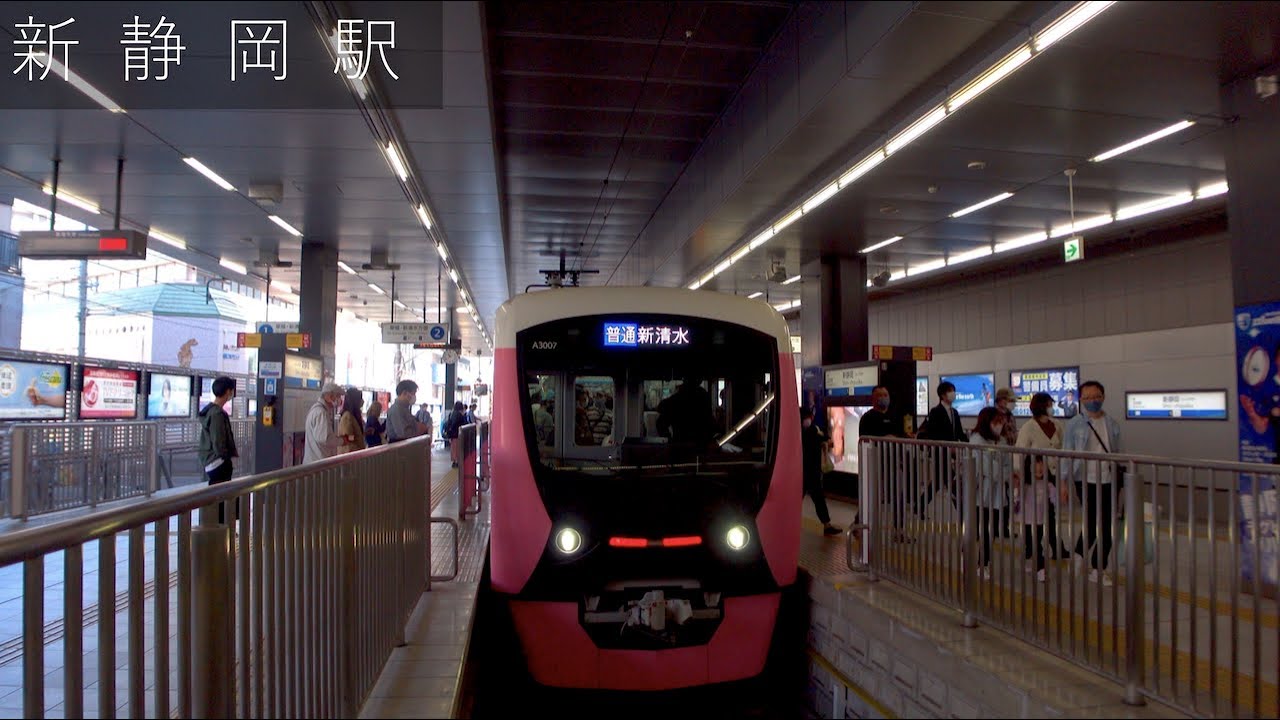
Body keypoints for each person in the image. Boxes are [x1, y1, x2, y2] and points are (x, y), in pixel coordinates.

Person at [1062, 380, 1123, 586]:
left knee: (1108, 524)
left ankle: (1098, 568)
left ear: (1103, 397)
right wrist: (1064, 481)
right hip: (1085, 479)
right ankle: (1080, 554)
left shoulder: (1112, 423)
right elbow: (1067, 453)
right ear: (1081, 399)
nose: (1092, 401)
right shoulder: (1074, 424)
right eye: (1087, 397)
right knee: (1092, 520)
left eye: (1096, 396)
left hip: (1109, 479)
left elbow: (1118, 451)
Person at [1016, 392, 1069, 561]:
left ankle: (1056, 547)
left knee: (1050, 513)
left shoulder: (1057, 425)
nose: (1051, 408)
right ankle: (1032, 547)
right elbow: (1019, 453)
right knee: (1032, 514)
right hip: (1034, 477)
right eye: (1048, 405)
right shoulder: (1028, 427)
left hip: (1052, 475)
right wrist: (1019, 476)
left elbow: (1063, 447)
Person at [859, 386, 913, 541]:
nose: (884, 397)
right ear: (873, 399)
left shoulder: (895, 416)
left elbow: (902, 435)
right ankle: (859, 524)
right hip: (875, 465)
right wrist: (884, 438)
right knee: (872, 497)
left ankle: (899, 530)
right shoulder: (868, 418)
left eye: (886, 394)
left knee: (899, 496)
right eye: (880, 395)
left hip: (894, 463)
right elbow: (863, 439)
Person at [970, 407, 1011, 579]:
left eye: (1001, 421)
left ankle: (984, 561)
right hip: (979, 492)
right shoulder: (976, 440)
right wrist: (1003, 472)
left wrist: (1004, 473)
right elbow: (986, 467)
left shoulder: (1001, 441)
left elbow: (1008, 465)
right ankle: (977, 560)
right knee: (979, 528)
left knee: (991, 528)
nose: (999, 425)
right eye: (996, 422)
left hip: (997, 493)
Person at [917, 381, 967, 517]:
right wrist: (947, 446)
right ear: (942, 395)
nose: (953, 394)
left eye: (953, 390)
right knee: (951, 482)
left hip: (952, 452)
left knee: (939, 482)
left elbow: (959, 433)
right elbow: (933, 433)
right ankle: (963, 513)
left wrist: (969, 443)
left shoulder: (954, 412)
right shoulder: (935, 412)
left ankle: (919, 505)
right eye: (950, 391)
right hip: (940, 452)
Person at [198, 376, 238, 523]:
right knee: (221, 498)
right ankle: (220, 526)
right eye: (231, 391)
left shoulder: (210, 411)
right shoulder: (217, 414)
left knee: (219, 496)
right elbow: (218, 441)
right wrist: (226, 457)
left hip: (211, 462)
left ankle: (219, 525)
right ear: (227, 391)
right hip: (218, 462)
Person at [801, 407, 841, 536]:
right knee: (816, 498)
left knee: (818, 498)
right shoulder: (811, 431)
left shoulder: (811, 430)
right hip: (807, 472)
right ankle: (827, 525)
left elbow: (828, 440)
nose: (807, 420)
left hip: (809, 471)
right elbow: (826, 440)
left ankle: (827, 525)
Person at [1020, 455, 1058, 582]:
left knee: (1035, 544)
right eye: (1036, 465)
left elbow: (1054, 497)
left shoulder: (1047, 484)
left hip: (1041, 521)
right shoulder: (1025, 485)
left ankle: (1034, 564)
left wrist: (1058, 498)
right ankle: (1040, 569)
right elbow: (1017, 499)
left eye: (1042, 465)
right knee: (1033, 545)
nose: (1040, 468)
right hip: (1027, 522)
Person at [656, 376, 718, 447]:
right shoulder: (703, 397)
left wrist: (670, 440)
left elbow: (660, 423)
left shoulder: (676, 399)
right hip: (698, 446)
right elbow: (710, 423)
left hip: (681, 445)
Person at [303, 382, 345, 464]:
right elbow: (325, 439)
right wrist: (342, 441)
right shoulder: (321, 413)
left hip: (317, 462)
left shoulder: (319, 410)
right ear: (329, 396)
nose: (340, 399)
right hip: (317, 463)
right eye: (338, 396)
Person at [336, 387, 367, 454]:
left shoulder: (353, 416)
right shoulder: (347, 417)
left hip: (356, 453)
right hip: (350, 455)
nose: (362, 401)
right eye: (360, 398)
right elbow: (348, 438)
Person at [443, 401, 468, 466]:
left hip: (451, 434)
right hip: (457, 434)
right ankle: (456, 461)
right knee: (457, 448)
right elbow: (463, 423)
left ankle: (454, 461)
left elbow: (449, 423)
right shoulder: (459, 415)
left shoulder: (451, 413)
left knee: (453, 448)